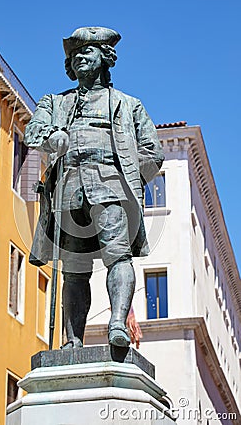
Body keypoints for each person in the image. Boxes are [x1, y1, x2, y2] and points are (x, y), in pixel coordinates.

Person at [24, 27, 164, 348]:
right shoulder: (55, 102)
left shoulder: (129, 105)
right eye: (74, 55)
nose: (79, 58)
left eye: (87, 51)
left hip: (111, 186)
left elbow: (153, 152)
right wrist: (50, 137)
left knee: (118, 256)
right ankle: (73, 340)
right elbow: (33, 131)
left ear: (106, 57)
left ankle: (117, 324)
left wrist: (128, 177)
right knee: (74, 269)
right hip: (68, 189)